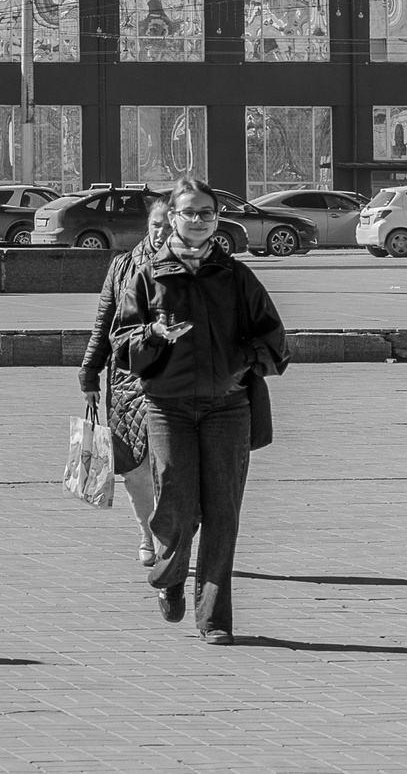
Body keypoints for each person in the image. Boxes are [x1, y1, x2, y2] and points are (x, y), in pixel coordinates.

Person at [109, 176, 288, 644]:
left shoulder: (236, 276)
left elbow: (275, 341)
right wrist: (152, 336)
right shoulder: (147, 275)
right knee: (177, 506)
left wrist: (242, 361)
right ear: (172, 216)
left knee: (222, 513)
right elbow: (121, 344)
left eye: (207, 213)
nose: (198, 220)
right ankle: (169, 577)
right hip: (167, 407)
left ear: (216, 219)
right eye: (189, 212)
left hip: (227, 408)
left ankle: (215, 619)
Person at [80, 196, 169, 564]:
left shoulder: (193, 269)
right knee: (134, 467)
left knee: (168, 465)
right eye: (156, 224)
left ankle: (170, 536)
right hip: (126, 383)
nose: (162, 231)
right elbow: (105, 325)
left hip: (171, 381)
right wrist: (89, 373)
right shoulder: (123, 266)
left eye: (168, 224)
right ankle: (147, 533)